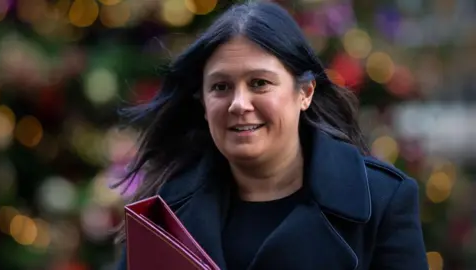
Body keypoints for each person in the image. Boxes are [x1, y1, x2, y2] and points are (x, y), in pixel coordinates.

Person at [114, 1, 428, 269]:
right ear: (203, 101)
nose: (239, 104)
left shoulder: (382, 200)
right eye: (221, 87)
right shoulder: (164, 212)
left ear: (305, 92)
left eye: (259, 83)